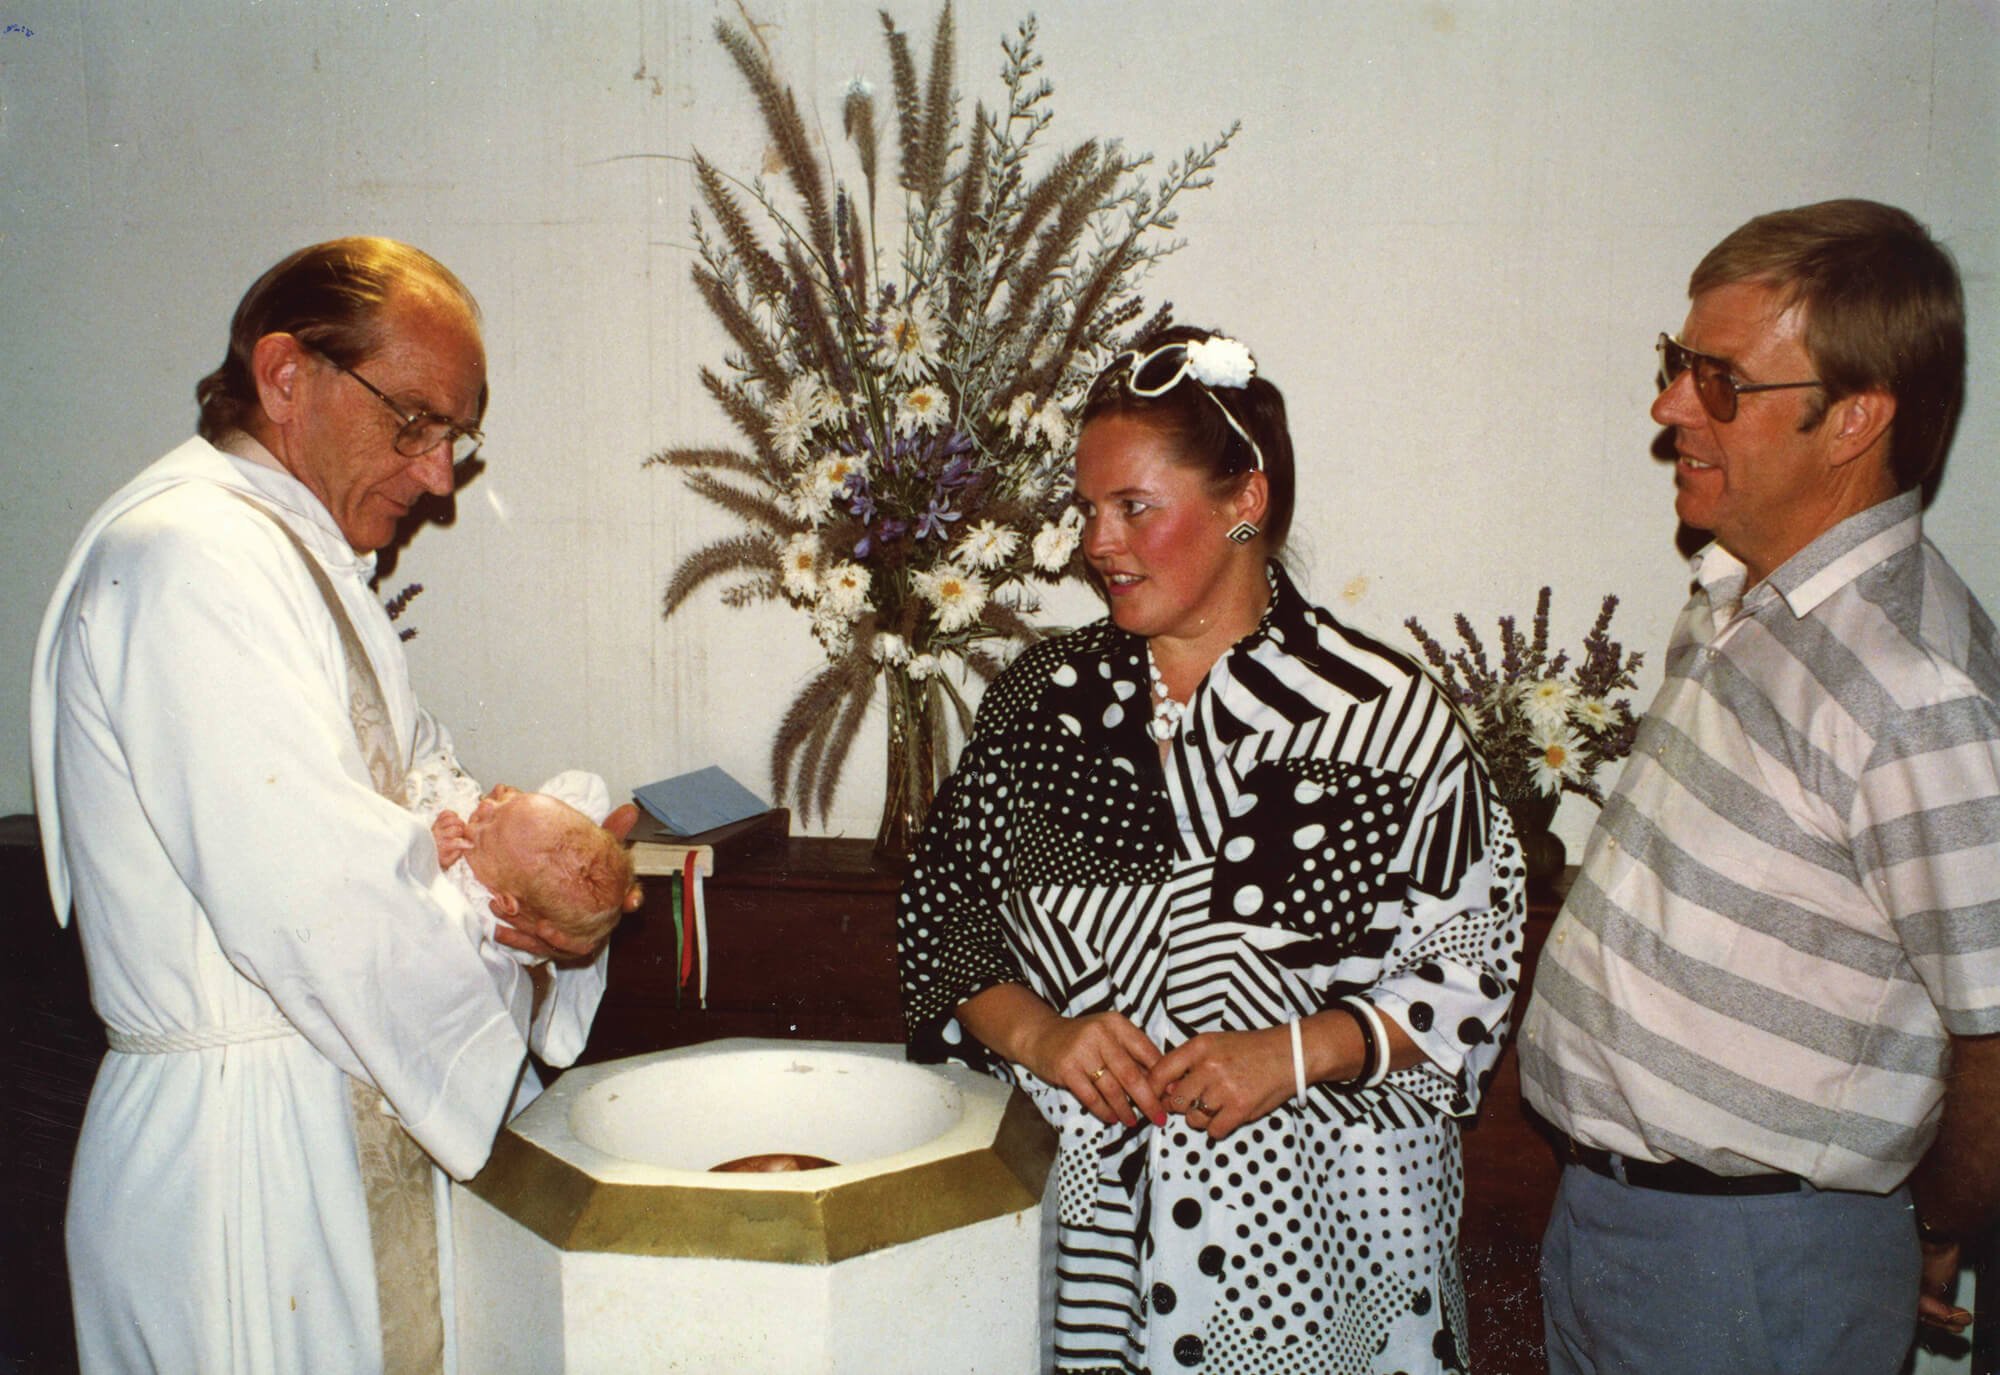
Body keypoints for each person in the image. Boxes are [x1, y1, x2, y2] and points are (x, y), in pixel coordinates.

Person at [28, 237, 622, 1374]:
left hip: (322, 1106)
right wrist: (515, 928)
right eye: (415, 422)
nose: (438, 476)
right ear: (286, 374)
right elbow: (320, 903)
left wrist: (543, 902)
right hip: (240, 1164)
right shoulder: (186, 558)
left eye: (455, 437)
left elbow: (432, 795)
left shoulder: (302, 561)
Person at [897, 326, 1527, 1374]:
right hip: (1086, 1245)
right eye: (1087, 510)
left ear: (1246, 501)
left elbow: (1470, 977)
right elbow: (944, 920)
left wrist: (1294, 1052)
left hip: (1314, 1256)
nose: (1098, 542)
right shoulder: (1042, 702)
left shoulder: (1381, 719)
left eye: (1133, 507)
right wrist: (1044, 1036)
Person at [1520, 199, 2000, 1375]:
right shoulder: (1743, 602)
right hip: (1616, 1224)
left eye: (1719, 381)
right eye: (1676, 363)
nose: (1669, 407)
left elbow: (1994, 1026)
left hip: (1754, 1266)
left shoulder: (1912, 688)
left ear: (1854, 418)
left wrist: (1934, 1222)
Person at [412, 762, 641, 1057]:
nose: (487, 804)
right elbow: (585, 788)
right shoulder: (511, 862)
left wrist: (430, 853)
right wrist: (519, 805)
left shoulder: (478, 906)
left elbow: (423, 910)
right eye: (499, 804)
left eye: (488, 824)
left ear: (506, 903)